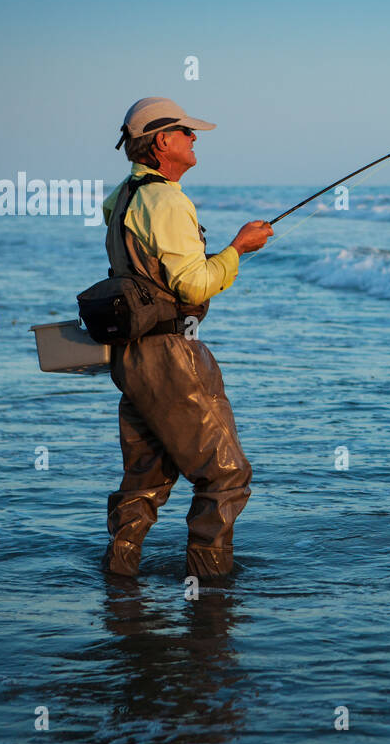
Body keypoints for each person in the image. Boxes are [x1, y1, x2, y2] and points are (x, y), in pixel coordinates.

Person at [100, 97, 273, 578]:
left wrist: (227, 253)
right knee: (225, 474)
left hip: (131, 357)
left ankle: (120, 577)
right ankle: (210, 590)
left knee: (145, 478)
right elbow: (192, 285)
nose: (195, 139)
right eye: (187, 132)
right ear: (162, 142)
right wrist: (238, 248)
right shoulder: (166, 199)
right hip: (170, 355)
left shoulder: (122, 198)